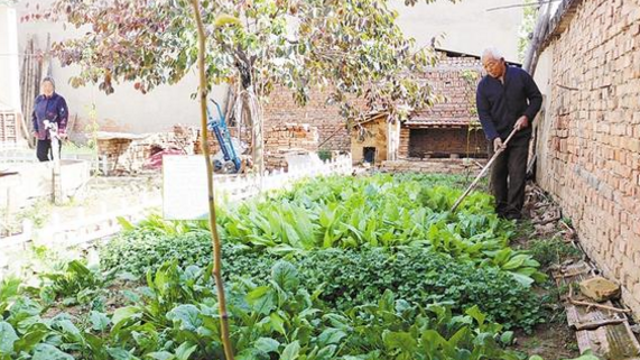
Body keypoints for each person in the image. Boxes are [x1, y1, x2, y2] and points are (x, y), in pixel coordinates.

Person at [476, 47, 542, 220]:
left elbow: (536, 98)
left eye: (491, 64)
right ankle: (500, 211)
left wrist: (526, 116)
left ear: (502, 61)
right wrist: (494, 137)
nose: (488, 69)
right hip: (497, 137)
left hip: (519, 135)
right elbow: (484, 114)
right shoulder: (483, 87)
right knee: (498, 174)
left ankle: (513, 214)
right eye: (485, 66)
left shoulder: (520, 76)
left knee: (517, 173)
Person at [31, 76, 69, 162]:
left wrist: (61, 131)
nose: (47, 88)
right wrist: (35, 129)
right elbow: (34, 116)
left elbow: (64, 116)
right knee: (40, 155)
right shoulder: (38, 99)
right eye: (45, 86)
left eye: (49, 85)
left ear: (53, 87)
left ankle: (55, 172)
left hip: (54, 134)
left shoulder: (59, 100)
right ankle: (48, 170)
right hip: (42, 134)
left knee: (54, 156)